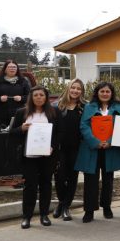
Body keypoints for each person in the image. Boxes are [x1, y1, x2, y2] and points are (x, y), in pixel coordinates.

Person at [75, 82, 120, 223]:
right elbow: (84, 126)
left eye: (107, 91)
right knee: (90, 180)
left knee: (108, 180)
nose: (105, 94)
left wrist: (110, 141)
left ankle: (107, 207)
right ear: (97, 93)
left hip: (110, 148)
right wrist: (95, 141)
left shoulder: (118, 107)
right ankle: (89, 210)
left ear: (111, 93)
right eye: (102, 91)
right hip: (92, 148)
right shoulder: (89, 107)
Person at [10, 86, 61, 229]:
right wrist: (21, 128)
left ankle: (44, 215)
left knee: (46, 184)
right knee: (30, 186)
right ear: (31, 97)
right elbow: (11, 133)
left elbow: (59, 133)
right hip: (29, 156)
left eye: (42, 95)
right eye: (36, 95)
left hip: (47, 156)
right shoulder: (22, 112)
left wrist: (52, 146)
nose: (39, 97)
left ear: (46, 97)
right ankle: (27, 217)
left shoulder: (53, 112)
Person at [52, 78, 85, 221]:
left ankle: (66, 207)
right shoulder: (56, 106)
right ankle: (61, 202)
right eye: (73, 88)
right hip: (59, 148)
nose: (75, 91)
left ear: (81, 91)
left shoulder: (84, 107)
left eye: (78, 89)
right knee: (59, 177)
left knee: (72, 177)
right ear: (68, 88)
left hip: (76, 147)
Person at [0, 59, 31, 127]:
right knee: (0, 135)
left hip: (18, 115)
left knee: (16, 135)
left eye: (14, 67)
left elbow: (30, 96)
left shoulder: (23, 81)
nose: (12, 69)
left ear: (17, 69)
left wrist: (21, 98)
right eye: (10, 67)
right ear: (5, 69)